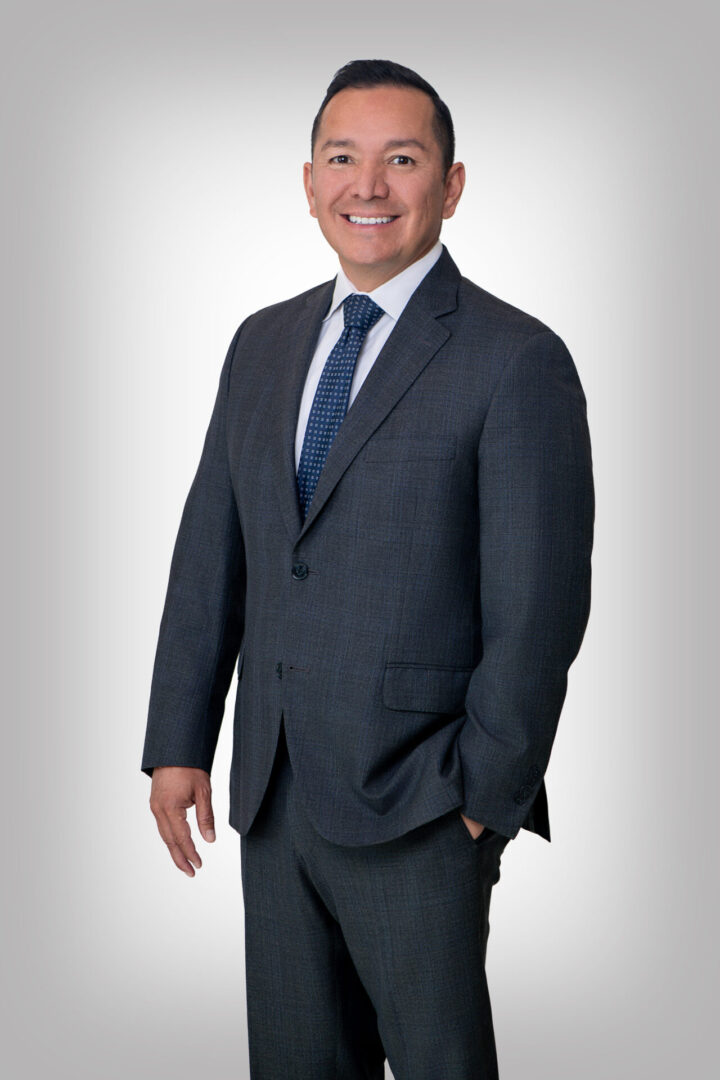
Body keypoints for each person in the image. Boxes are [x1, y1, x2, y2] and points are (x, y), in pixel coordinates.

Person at [141, 58, 595, 1080]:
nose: (369, 185)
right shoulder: (261, 345)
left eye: (403, 159)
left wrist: (484, 797)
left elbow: (539, 607)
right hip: (274, 789)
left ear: (453, 183)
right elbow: (211, 549)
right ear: (309, 183)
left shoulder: (514, 358)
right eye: (343, 159)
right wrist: (181, 740)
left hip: (423, 801)